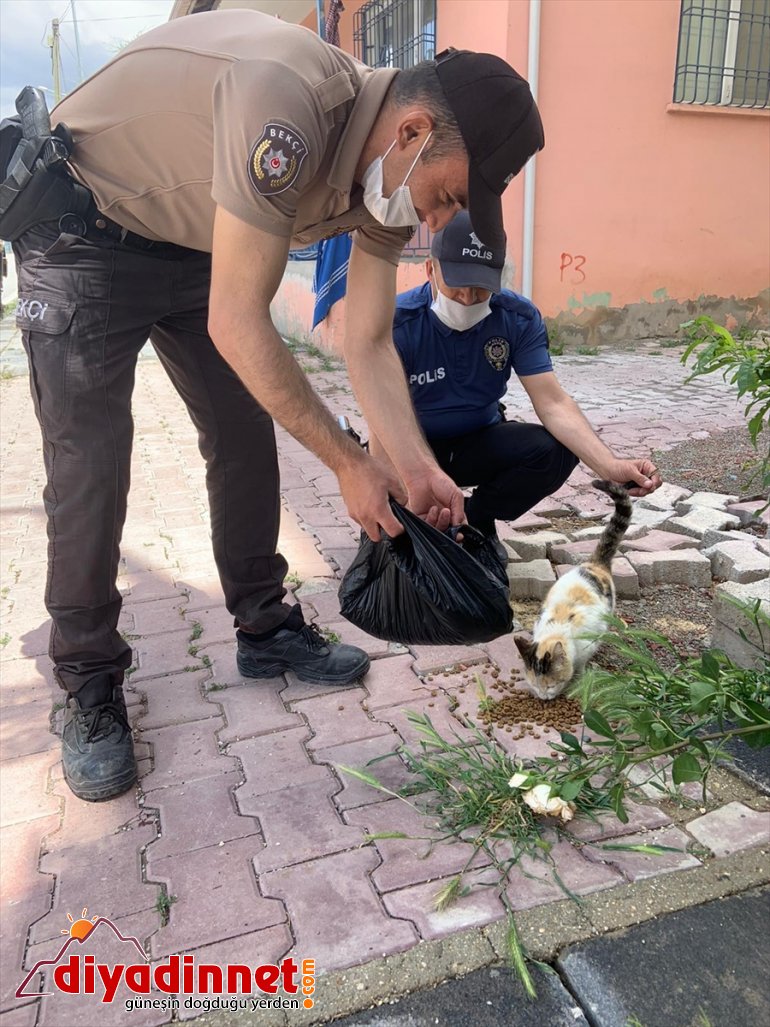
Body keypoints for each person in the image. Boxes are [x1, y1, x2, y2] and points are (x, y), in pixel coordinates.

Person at [3, 9, 545, 800]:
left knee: (244, 434)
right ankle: (88, 684)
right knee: (92, 464)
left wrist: (413, 464)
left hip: (191, 241)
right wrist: (351, 465)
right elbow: (237, 319)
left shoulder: (385, 181)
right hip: (83, 229)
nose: (437, 222)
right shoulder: (286, 101)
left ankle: (263, 626)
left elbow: (368, 340)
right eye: (448, 196)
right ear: (412, 132)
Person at [371, 210, 661, 560]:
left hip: (478, 441)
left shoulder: (517, 318)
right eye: (456, 286)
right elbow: (380, 419)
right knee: (388, 533)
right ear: (431, 270)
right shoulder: (395, 323)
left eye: (480, 289)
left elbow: (553, 402)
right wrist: (397, 494)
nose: (467, 299)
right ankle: (418, 520)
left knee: (555, 450)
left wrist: (610, 466)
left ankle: (475, 519)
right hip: (411, 446)